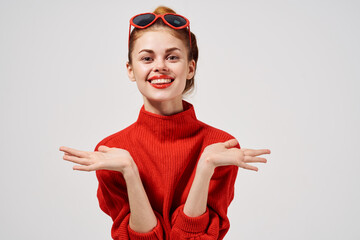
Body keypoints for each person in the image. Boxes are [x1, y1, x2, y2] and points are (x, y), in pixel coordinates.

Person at [59, 6, 271, 240]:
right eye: (147, 58)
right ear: (131, 70)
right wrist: (129, 171)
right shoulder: (112, 152)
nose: (160, 66)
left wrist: (205, 166)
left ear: (190, 68)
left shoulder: (221, 147)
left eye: (172, 57)